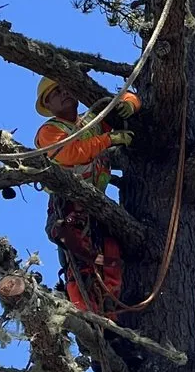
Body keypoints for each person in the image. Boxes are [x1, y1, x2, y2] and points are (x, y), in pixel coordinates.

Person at [34, 76, 139, 324]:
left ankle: (113, 317)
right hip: (68, 207)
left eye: (65, 87)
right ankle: (91, 320)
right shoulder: (50, 131)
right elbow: (70, 154)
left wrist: (130, 104)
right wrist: (109, 139)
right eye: (55, 93)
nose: (63, 93)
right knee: (82, 263)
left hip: (97, 207)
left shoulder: (91, 123)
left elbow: (123, 98)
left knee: (111, 256)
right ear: (48, 106)